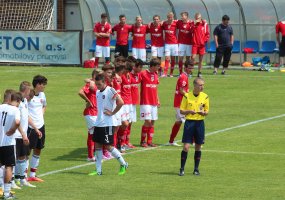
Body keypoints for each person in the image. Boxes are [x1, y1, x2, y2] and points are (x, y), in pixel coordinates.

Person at [88, 74, 128, 176]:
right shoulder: (97, 92)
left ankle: (123, 164)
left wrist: (112, 113)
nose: (98, 86)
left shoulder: (110, 90)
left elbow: (121, 102)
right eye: (97, 84)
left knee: (108, 146)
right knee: (97, 146)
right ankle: (98, 171)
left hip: (108, 123)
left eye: (100, 84)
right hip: (98, 123)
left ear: (104, 82)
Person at [179, 77, 209, 176]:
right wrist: (189, 111)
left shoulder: (205, 97)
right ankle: (182, 169)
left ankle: (196, 169)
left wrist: (203, 113)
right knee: (186, 147)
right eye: (200, 85)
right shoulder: (187, 96)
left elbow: (207, 111)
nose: (202, 87)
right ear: (195, 86)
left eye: (203, 85)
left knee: (198, 146)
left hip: (200, 123)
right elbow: (181, 111)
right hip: (189, 123)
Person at [14, 81, 38, 188]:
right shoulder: (16, 101)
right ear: (26, 90)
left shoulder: (24, 101)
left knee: (23, 156)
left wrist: (36, 128)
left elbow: (26, 117)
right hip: (16, 135)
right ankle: (12, 181)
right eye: (29, 90)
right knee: (14, 158)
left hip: (23, 135)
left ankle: (21, 179)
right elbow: (15, 119)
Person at [0, 91, 22, 199]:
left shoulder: (0, 107)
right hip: (8, 143)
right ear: (18, 101)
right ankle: (7, 193)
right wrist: (13, 129)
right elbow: (17, 122)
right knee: (8, 167)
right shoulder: (15, 110)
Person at [168, 60, 194, 146]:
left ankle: (171, 141)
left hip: (180, 102)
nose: (191, 69)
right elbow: (181, 90)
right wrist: (189, 96)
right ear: (185, 68)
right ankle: (193, 141)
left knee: (178, 122)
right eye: (189, 68)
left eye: (192, 68)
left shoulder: (185, 76)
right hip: (180, 103)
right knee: (188, 122)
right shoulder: (183, 77)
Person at [27, 75, 48, 182]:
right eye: (43, 84)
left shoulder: (43, 95)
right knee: (27, 151)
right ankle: (23, 175)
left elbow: (44, 105)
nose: (44, 86)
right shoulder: (29, 96)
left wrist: (41, 115)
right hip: (31, 127)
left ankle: (33, 174)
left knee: (38, 149)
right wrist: (34, 125)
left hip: (41, 126)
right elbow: (25, 113)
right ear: (38, 84)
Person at [79, 69, 100, 162]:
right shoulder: (89, 84)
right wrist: (88, 101)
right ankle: (91, 156)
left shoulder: (96, 84)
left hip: (96, 113)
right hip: (91, 113)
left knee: (93, 134)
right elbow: (80, 92)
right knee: (94, 134)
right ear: (94, 75)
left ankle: (93, 155)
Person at [140, 58, 160, 147]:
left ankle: (150, 141)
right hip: (145, 101)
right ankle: (143, 141)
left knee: (152, 121)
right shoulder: (143, 73)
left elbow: (155, 88)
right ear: (152, 66)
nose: (158, 68)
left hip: (153, 102)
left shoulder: (156, 74)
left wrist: (158, 99)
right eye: (157, 66)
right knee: (147, 121)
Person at [191, 13, 210, 77]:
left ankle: (199, 72)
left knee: (200, 59)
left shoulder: (204, 24)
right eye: (196, 18)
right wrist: (194, 24)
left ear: (201, 17)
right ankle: (191, 71)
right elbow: (191, 31)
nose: (197, 19)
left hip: (202, 45)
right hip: (195, 44)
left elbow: (207, 34)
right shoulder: (193, 24)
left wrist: (204, 41)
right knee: (193, 58)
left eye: (198, 18)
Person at [162, 12, 178, 77]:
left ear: (173, 17)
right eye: (169, 17)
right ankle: (165, 73)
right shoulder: (164, 23)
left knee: (173, 59)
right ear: (167, 17)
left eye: (171, 17)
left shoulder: (176, 23)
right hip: (167, 44)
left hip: (174, 44)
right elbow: (158, 24)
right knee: (167, 58)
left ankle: (171, 73)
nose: (170, 18)